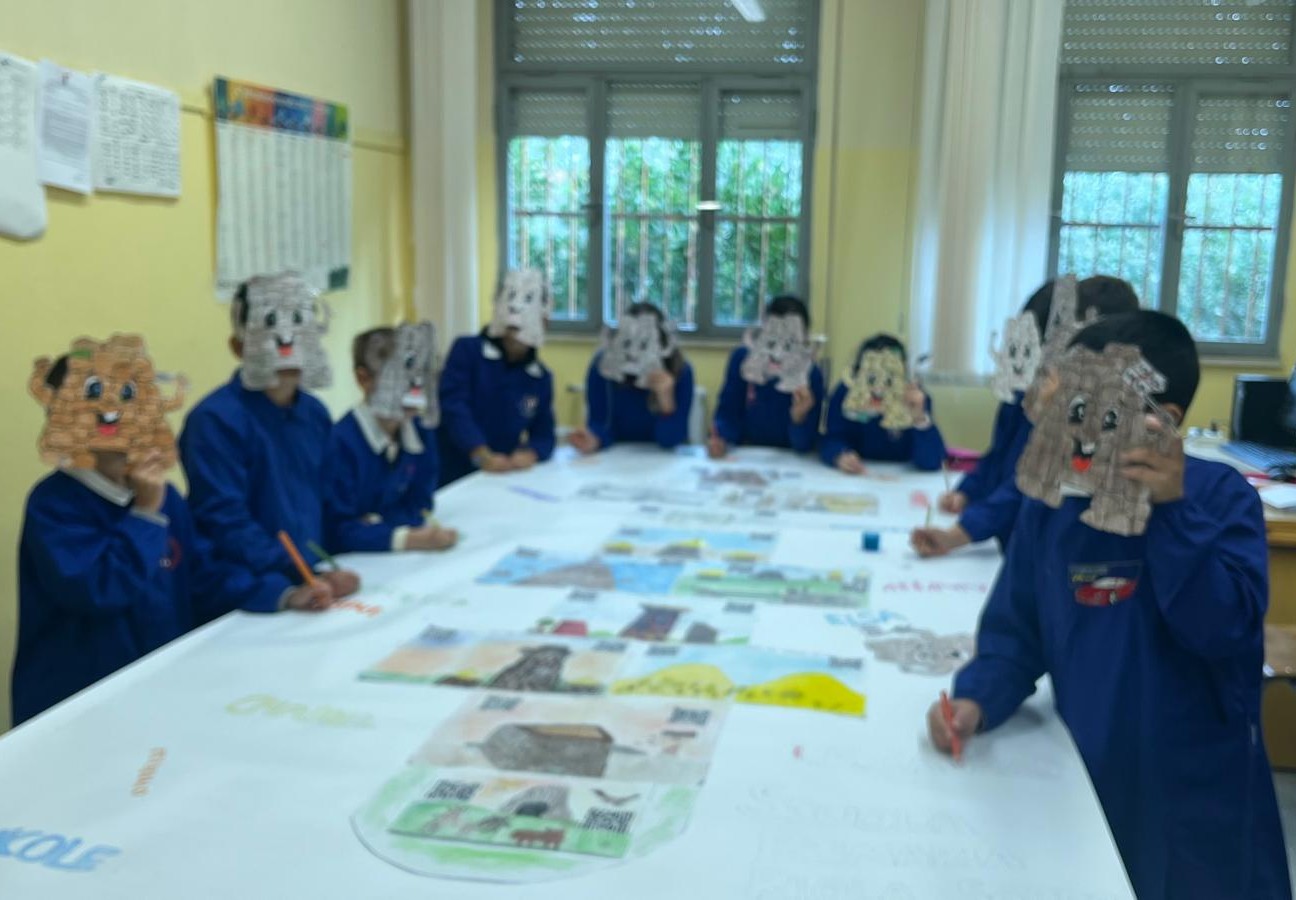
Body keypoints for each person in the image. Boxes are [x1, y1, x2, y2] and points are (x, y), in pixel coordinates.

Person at [928, 310, 1291, 899]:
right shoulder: (1053, 507)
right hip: (1086, 771)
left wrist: (1171, 512)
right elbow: (1017, 631)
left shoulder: (1220, 500)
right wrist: (976, 699)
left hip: (1194, 795)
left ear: (1160, 421)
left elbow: (1223, 631)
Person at [14, 335, 326, 726]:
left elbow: (202, 577)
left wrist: (281, 593)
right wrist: (145, 514)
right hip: (80, 705)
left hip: (160, 685)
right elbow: (99, 590)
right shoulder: (54, 505)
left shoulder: (166, 498)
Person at [911, 275, 1140, 558]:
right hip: (1003, 540)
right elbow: (998, 455)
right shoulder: (1022, 392)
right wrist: (967, 492)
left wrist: (959, 534)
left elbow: (1028, 484)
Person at [179, 273, 361, 617]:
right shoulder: (215, 420)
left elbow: (329, 502)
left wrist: (326, 566)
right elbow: (225, 521)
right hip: (240, 590)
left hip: (308, 581)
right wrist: (291, 579)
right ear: (239, 346)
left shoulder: (315, 413)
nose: (287, 344)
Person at [324, 324, 458, 554]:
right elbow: (339, 530)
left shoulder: (420, 431)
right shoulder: (340, 443)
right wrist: (407, 538)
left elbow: (420, 504)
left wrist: (377, 523)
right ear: (363, 379)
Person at [437, 269, 556, 485]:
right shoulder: (467, 351)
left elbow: (544, 433)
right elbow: (454, 406)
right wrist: (479, 451)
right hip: (454, 470)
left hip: (501, 475)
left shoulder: (540, 378)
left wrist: (532, 452)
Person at [708, 294, 824, 458]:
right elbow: (727, 413)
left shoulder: (812, 375)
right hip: (746, 452)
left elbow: (805, 444)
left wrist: (798, 418)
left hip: (790, 457)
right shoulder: (743, 360)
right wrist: (721, 437)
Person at [569, 302, 694, 453]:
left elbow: (671, 440)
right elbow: (600, 423)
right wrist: (594, 439)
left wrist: (666, 402)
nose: (634, 354)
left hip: (664, 456)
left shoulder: (680, 370)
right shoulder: (603, 367)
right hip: (616, 455)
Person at [819, 333, 945, 472]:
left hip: (903, 475)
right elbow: (830, 439)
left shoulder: (914, 398)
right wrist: (840, 455)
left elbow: (932, 461)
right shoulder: (845, 394)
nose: (879, 389)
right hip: (858, 474)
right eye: (872, 378)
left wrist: (919, 418)